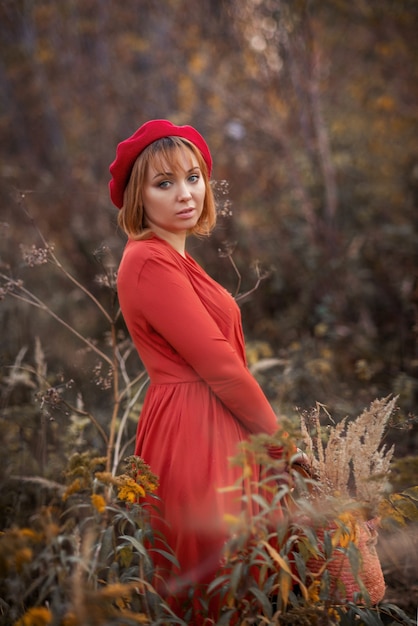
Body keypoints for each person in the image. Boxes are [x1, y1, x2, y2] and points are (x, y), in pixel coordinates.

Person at [109, 119, 287, 621]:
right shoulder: (148, 261)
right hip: (194, 430)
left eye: (193, 177)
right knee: (216, 588)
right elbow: (221, 368)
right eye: (163, 183)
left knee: (249, 580)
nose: (185, 193)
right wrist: (283, 447)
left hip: (221, 423)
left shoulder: (175, 257)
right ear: (137, 198)